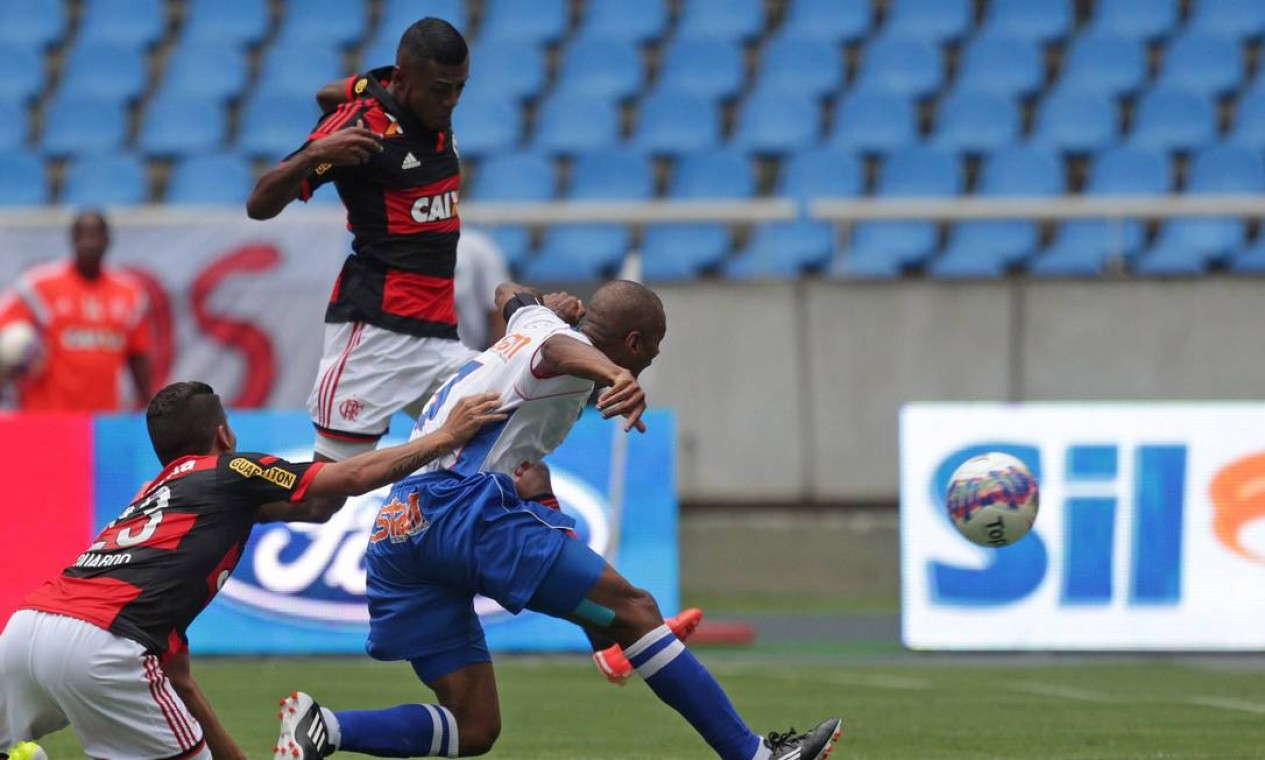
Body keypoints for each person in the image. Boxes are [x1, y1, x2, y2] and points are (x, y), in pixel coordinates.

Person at [273, 280, 842, 760]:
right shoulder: (565, 347)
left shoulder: (537, 319)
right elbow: (559, 355)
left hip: (402, 525)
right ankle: (755, 754)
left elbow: (509, 295)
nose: (652, 360)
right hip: (460, 509)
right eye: (653, 350)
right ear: (635, 342)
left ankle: (323, 727)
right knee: (636, 610)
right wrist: (615, 375)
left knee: (474, 728)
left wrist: (540, 302)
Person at [298, 19, 705, 683]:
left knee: (525, 474)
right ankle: (208, 497)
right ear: (405, 82)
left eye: (460, 89)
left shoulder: (432, 124)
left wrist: (540, 315)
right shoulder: (371, 130)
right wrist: (317, 155)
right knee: (317, 502)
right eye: (440, 89)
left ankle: (607, 634)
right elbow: (270, 189)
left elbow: (511, 301)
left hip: (436, 342)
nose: (452, 101)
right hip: (371, 337)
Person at [0, 380, 505, 760]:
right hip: (106, 642)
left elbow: (180, 680)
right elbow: (345, 479)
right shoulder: (231, 469)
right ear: (224, 432)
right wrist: (445, 437)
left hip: (25, 631)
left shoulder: (152, 502)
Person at [0, 210, 152, 411]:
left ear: (108, 240)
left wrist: (147, 403)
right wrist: (22, 355)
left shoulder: (130, 294)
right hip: (46, 416)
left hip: (102, 419)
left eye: (96, 235)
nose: (90, 242)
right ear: (72, 239)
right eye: (83, 235)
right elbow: (6, 330)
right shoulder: (38, 286)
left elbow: (137, 354)